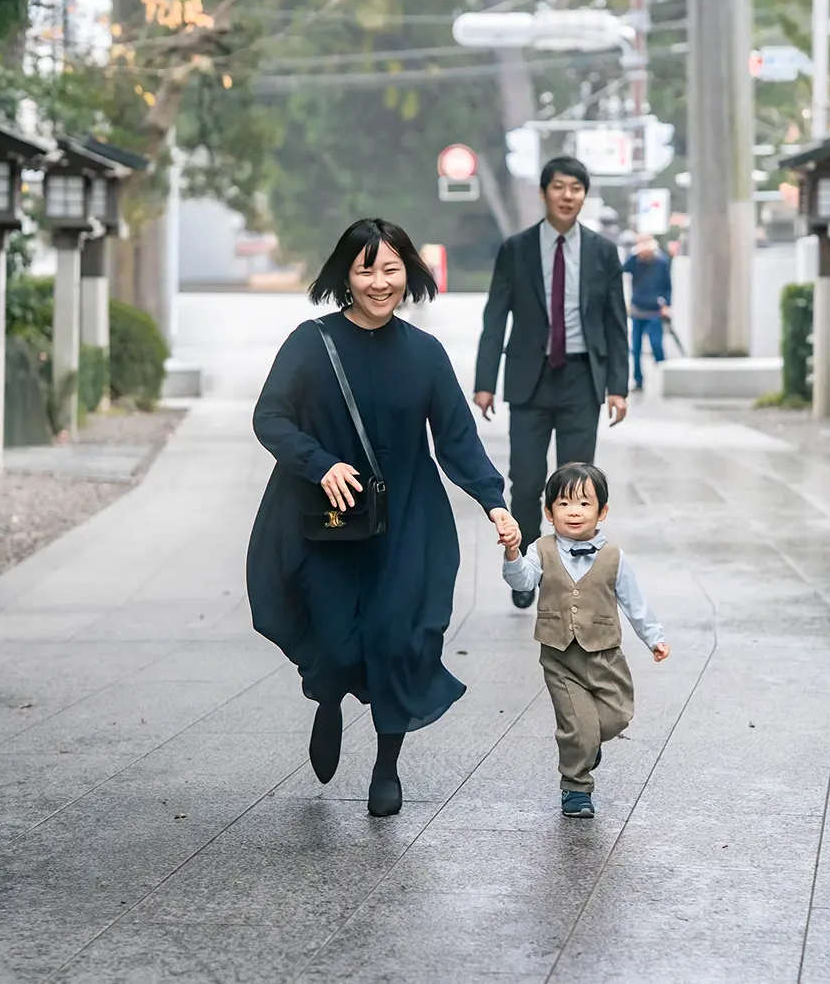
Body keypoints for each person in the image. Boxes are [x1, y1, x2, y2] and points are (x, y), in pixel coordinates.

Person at [248, 218, 521, 818]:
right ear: (345, 274)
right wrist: (318, 463)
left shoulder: (425, 354)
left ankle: (386, 766)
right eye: (367, 268)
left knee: (395, 640)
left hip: (406, 522)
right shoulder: (309, 342)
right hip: (326, 522)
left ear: (409, 274)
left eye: (391, 268)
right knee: (340, 645)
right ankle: (328, 699)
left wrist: (495, 502)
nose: (379, 282)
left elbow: (457, 439)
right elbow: (270, 417)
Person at [473, 156, 630, 609]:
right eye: (559, 187)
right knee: (525, 480)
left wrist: (617, 385)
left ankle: (570, 579)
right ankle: (523, 566)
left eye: (576, 188)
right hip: (530, 380)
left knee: (577, 487)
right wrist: (486, 381)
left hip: (583, 377)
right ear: (544, 194)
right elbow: (495, 316)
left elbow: (616, 323)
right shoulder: (517, 249)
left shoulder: (602, 252)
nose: (567, 196)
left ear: (584, 195)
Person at [499, 462, 669, 819]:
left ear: (602, 511)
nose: (573, 512)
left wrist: (654, 638)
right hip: (560, 656)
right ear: (549, 512)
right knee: (578, 725)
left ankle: (588, 745)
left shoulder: (614, 556)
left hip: (605, 655)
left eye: (584, 504)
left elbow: (634, 602)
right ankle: (576, 788)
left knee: (617, 718)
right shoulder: (541, 549)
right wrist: (513, 553)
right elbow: (523, 582)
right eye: (563, 504)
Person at [622, 231, 673, 393]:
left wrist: (667, 304)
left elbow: (668, 285)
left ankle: (664, 377)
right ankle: (638, 380)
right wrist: (634, 253)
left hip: (654, 310)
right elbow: (623, 269)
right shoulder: (635, 262)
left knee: (657, 345)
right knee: (635, 349)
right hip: (638, 308)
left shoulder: (661, 261)